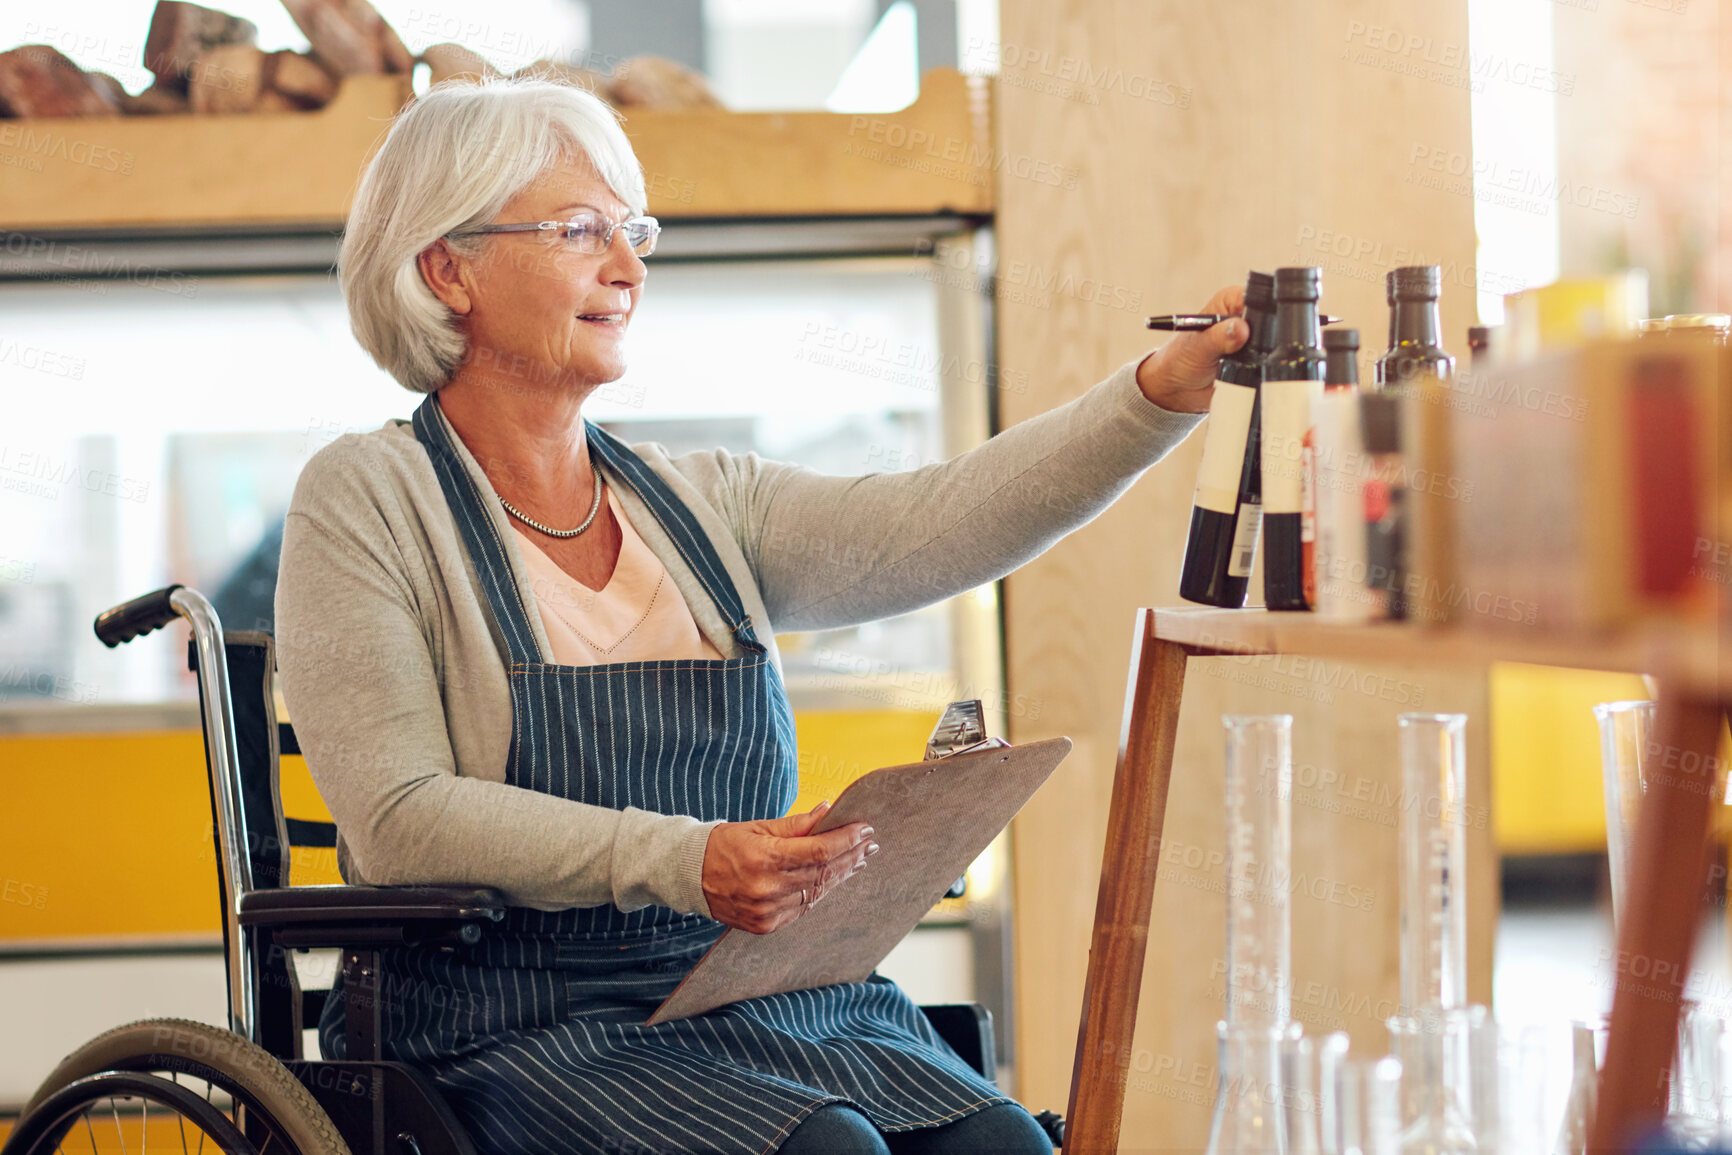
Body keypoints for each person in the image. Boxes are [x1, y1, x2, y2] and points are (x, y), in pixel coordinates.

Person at [276, 75, 1247, 1155]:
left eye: (632, 230)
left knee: (1003, 1145)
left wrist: (1161, 390)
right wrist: (686, 857)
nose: (629, 267)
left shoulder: (695, 502)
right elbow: (400, 818)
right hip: (510, 1023)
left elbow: (940, 523)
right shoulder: (365, 496)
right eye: (579, 230)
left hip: (751, 992)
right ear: (445, 268)